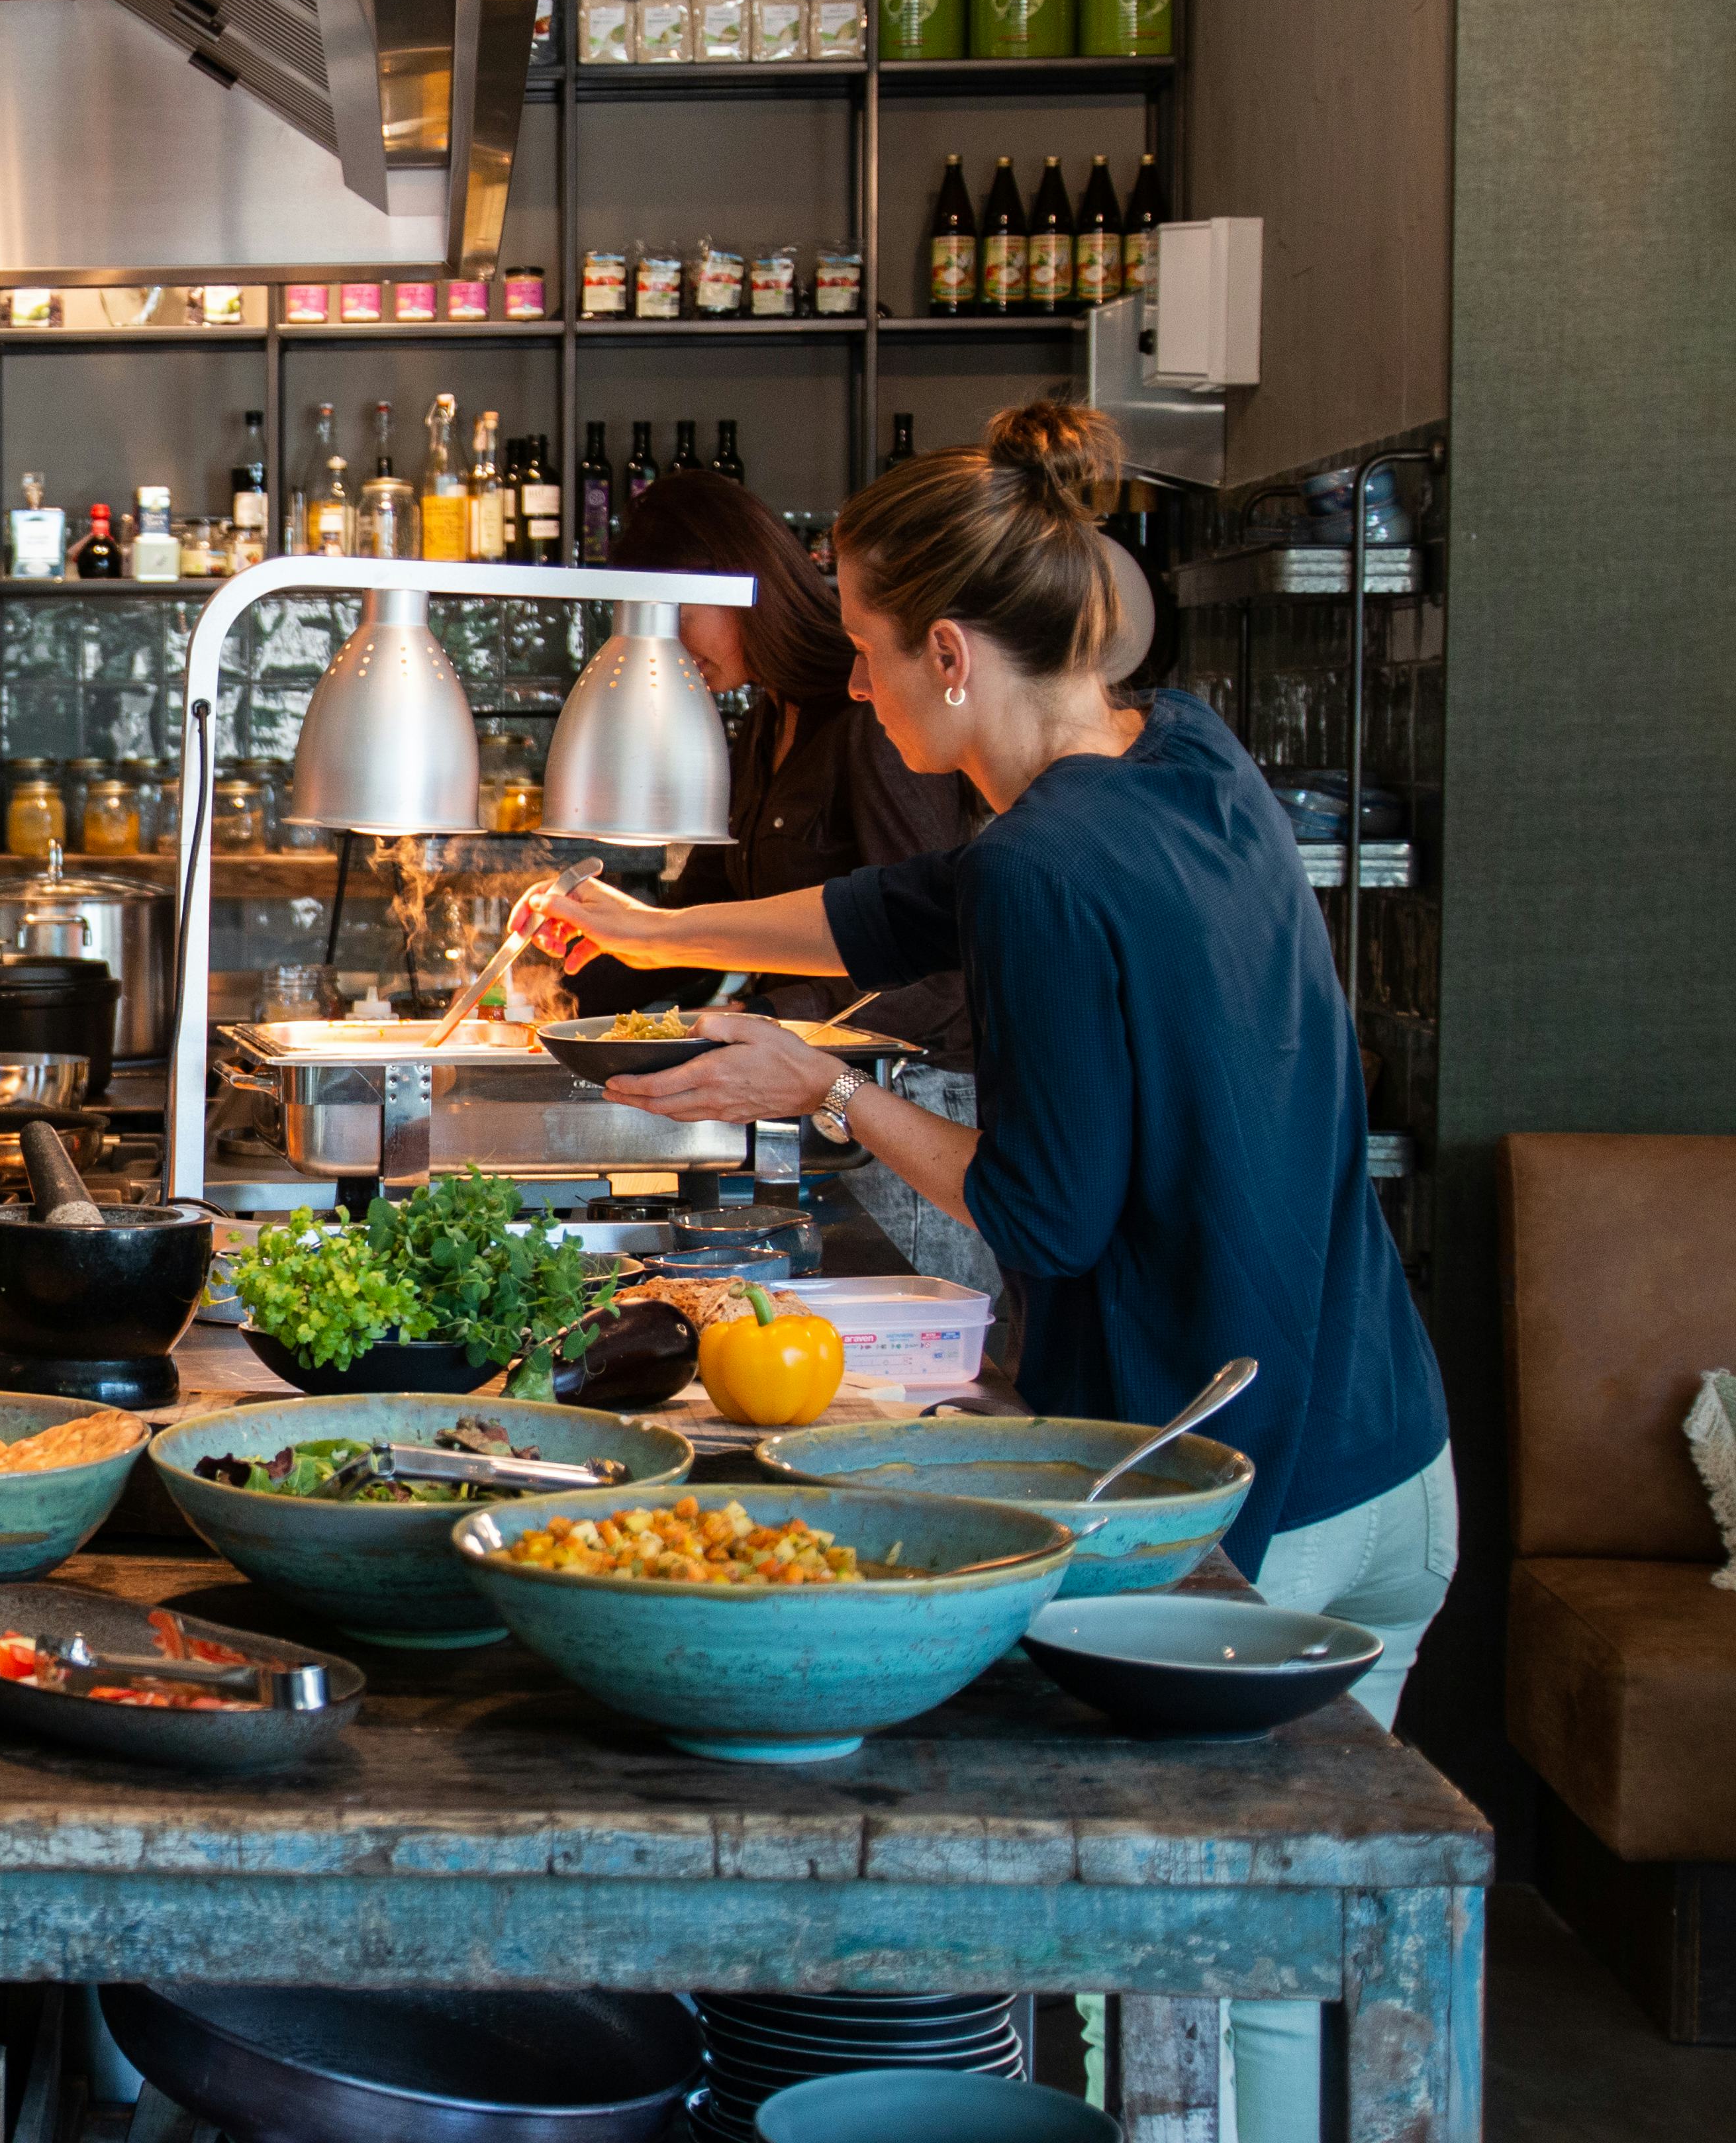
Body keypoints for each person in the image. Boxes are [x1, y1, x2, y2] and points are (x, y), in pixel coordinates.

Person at [546, 404, 1452, 2143]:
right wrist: (650, 930)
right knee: (1316, 1973)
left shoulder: (1045, 866)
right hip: (1394, 1460)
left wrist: (828, 1089)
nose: (864, 689)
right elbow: (894, 911)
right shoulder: (1185, 758)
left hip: (1236, 1500)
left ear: (951, 655)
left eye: (880, 658)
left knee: (1223, 1993)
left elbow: (1043, 1218)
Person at [589, 471, 987, 1294]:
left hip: (916, 1110)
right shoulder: (769, 721)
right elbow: (709, 908)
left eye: (676, 618)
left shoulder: (872, 720)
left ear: (736, 585)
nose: (668, 647)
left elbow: (935, 970)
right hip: (820, 1104)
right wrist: (583, 958)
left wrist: (768, 1022)